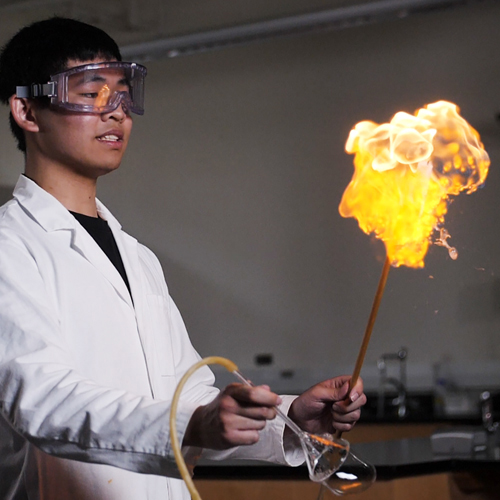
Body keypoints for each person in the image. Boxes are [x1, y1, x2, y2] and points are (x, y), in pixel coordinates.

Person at [0, 17, 366, 500]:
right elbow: (45, 404)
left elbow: (186, 399)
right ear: (27, 110)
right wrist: (194, 421)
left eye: (124, 95)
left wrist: (289, 419)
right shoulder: (10, 247)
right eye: (91, 94)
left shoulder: (138, 257)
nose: (117, 112)